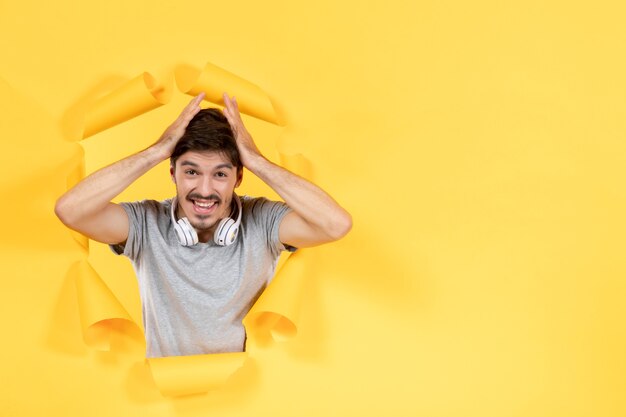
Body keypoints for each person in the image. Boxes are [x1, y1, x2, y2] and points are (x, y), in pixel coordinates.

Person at [55, 92, 351, 358]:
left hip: (250, 398)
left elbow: (335, 224)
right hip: (167, 397)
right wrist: (156, 151)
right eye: (192, 171)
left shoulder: (262, 220)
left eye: (220, 174)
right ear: (172, 173)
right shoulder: (146, 225)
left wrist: (258, 161)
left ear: (238, 178)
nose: (205, 190)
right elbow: (70, 211)